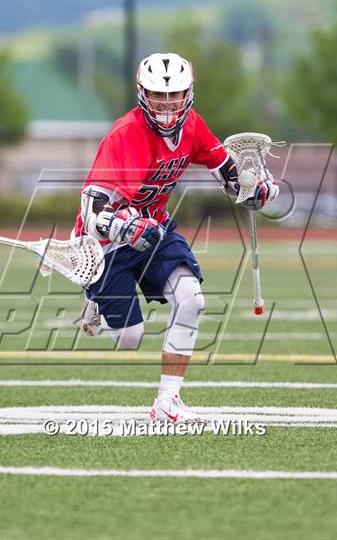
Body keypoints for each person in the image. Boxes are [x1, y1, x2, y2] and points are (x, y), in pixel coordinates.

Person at [73, 53, 279, 422]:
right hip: (108, 241)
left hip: (155, 227)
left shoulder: (193, 126)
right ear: (142, 94)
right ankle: (97, 306)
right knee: (129, 338)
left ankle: (167, 403)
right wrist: (124, 226)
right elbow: (91, 212)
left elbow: (230, 176)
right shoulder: (126, 134)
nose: (167, 104)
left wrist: (254, 189)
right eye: (158, 96)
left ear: (188, 94)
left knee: (191, 299)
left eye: (175, 95)